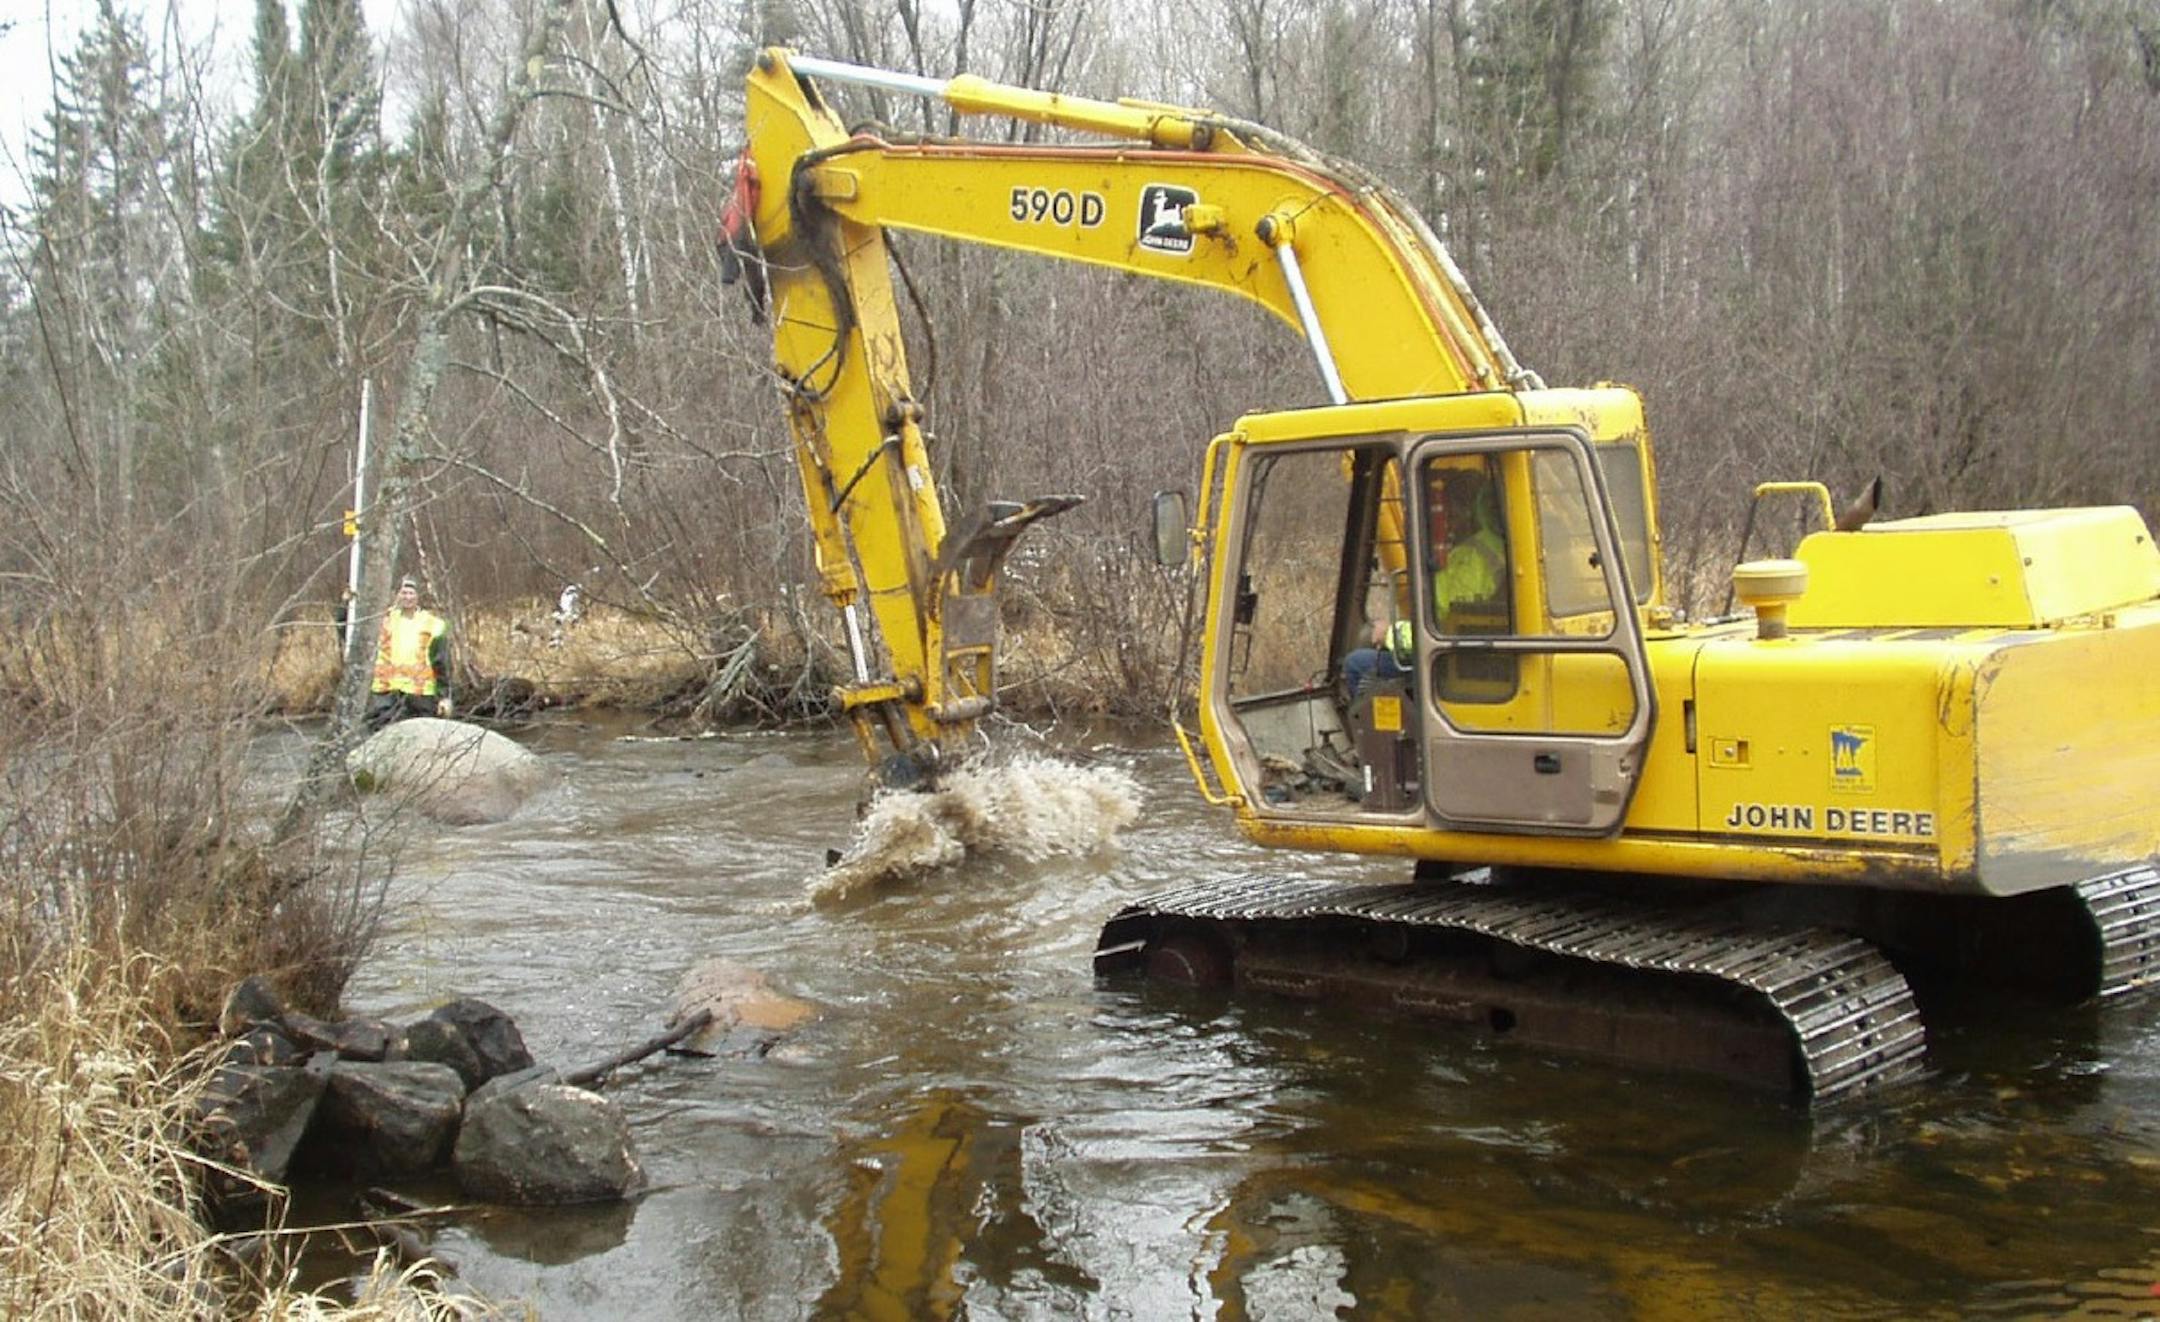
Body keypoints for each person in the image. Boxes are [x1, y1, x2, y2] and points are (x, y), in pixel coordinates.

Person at [1344, 467, 1506, 698]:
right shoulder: (1497, 550)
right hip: (1475, 659)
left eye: (1449, 512)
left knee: (1355, 664)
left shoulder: (1472, 559)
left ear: (1468, 511)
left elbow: (1437, 628)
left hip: (1454, 665)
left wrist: (1390, 634)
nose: (1448, 520)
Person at [368, 575, 453, 728]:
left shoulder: (433, 624)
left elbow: (441, 663)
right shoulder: (384, 621)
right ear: (397, 595)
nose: (407, 597)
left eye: (411, 593)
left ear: (418, 597)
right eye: (404, 593)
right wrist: (344, 607)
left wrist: (444, 696)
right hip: (387, 692)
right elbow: (353, 637)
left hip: (420, 695)